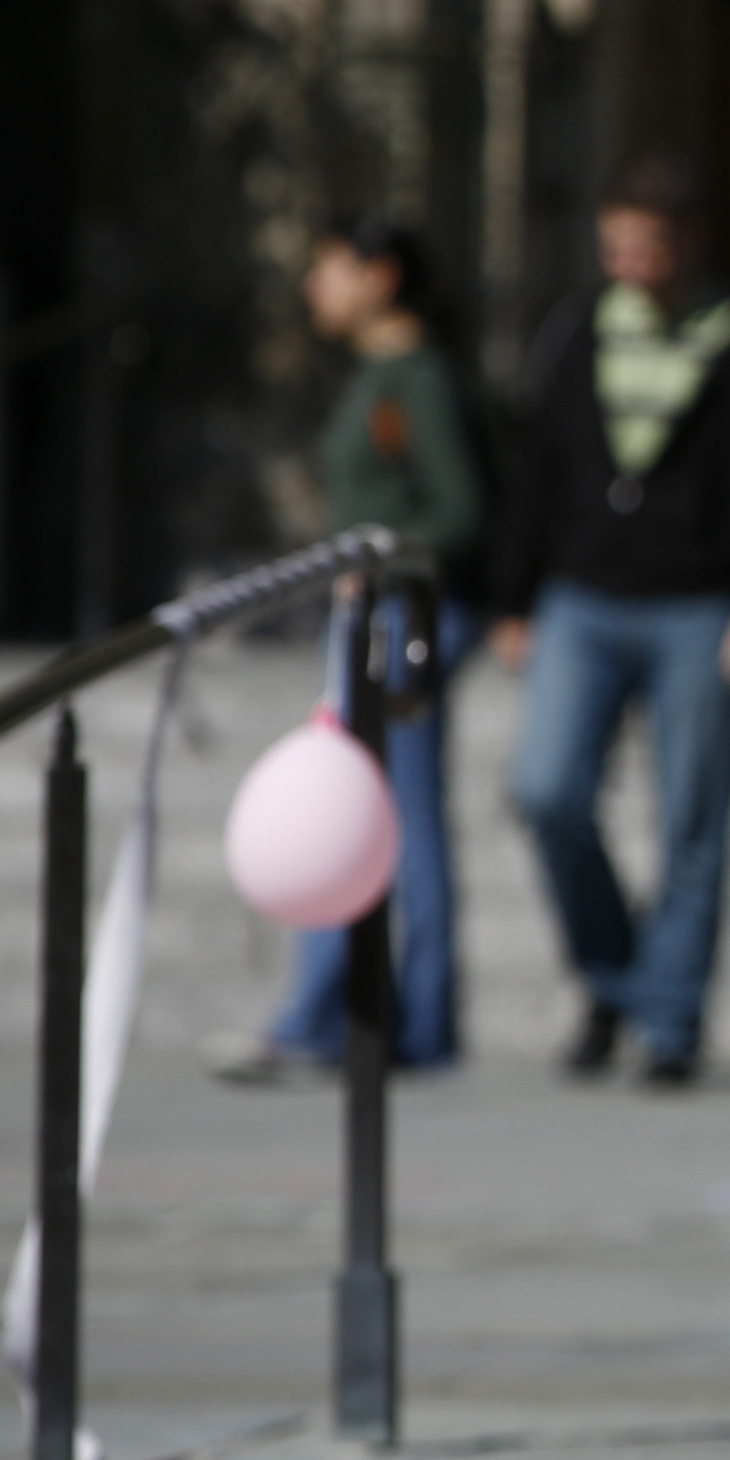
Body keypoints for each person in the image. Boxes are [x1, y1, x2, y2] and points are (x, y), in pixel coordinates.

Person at [489, 155, 730, 1089]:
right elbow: (534, 463)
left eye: (649, 247)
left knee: (693, 816)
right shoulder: (574, 330)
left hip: (699, 606)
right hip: (581, 597)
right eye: (615, 244)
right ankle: (613, 978)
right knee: (546, 791)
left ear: (689, 245)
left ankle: (670, 1023)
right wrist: (512, 597)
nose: (629, 263)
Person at [217, 216, 484, 1082]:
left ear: (383, 276)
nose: (313, 288)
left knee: (386, 815)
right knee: (369, 807)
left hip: (401, 616)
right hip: (371, 613)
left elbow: (458, 509)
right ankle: (348, 1015)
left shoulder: (415, 381)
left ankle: (368, 1018)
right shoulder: (379, 377)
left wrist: (374, 553)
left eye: (331, 268)